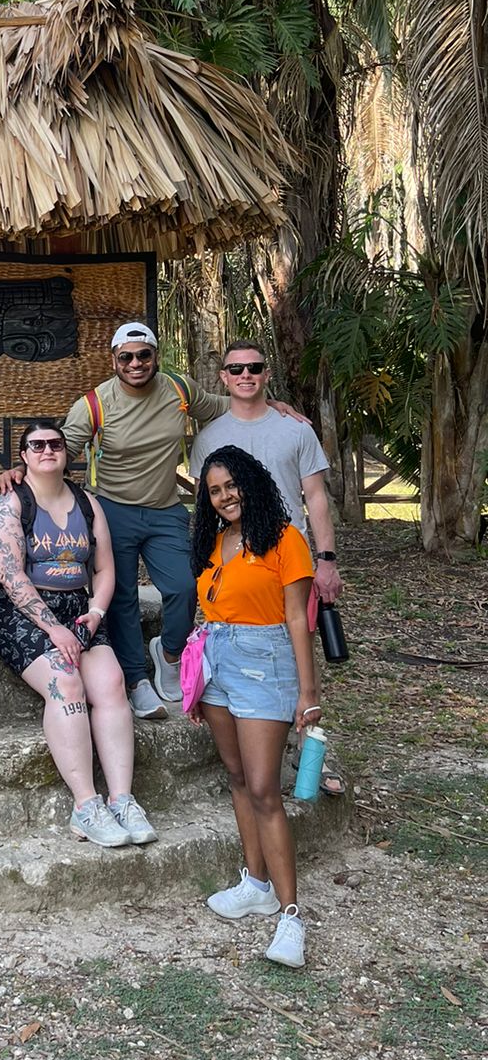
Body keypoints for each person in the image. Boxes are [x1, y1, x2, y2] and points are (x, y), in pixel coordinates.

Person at [0, 320, 303, 721]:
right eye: (126, 357)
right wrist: (18, 470)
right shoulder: (95, 404)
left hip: (165, 508)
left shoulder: (179, 389)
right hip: (114, 509)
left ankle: (169, 654)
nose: (136, 363)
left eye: (144, 355)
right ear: (114, 360)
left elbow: (223, 404)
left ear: (156, 356)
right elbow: (56, 448)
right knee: (121, 596)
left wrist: (270, 404)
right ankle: (137, 680)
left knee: (185, 585)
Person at [0, 420, 157, 848]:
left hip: (80, 610)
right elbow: (10, 576)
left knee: (111, 682)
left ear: (66, 452)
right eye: (37, 445)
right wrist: (53, 628)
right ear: (23, 456)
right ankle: (85, 805)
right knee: (65, 682)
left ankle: (122, 799)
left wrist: (96, 612)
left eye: (55, 444)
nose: (47, 450)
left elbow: (104, 568)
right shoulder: (11, 504)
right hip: (23, 613)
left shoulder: (86, 503)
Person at [190, 337, 347, 796]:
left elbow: (315, 496)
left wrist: (326, 559)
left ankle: (310, 748)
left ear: (267, 373)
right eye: (236, 369)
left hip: (288, 557)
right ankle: (255, 756)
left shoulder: (294, 428)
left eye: (254, 368)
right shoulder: (210, 437)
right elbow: (207, 505)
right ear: (223, 377)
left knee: (299, 646)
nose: (246, 376)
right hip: (239, 565)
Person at [188, 445, 319, 968]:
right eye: (214, 491)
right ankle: (257, 884)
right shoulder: (214, 540)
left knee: (265, 789)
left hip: (266, 661)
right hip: (217, 659)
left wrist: (308, 694)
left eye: (231, 485)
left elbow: (297, 619)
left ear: (251, 482)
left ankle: (292, 917)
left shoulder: (285, 539)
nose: (225, 497)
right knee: (239, 777)